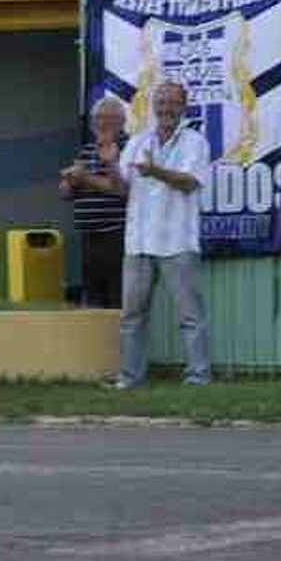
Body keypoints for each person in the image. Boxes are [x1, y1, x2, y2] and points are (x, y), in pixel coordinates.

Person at [112, 81, 210, 388]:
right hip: (139, 241)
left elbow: (190, 182)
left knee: (190, 316)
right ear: (154, 105)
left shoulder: (195, 142)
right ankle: (130, 379)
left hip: (177, 240)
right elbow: (122, 189)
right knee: (132, 316)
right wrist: (108, 165)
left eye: (172, 103)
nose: (166, 108)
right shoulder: (138, 140)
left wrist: (155, 171)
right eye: (161, 102)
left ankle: (198, 377)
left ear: (183, 107)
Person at [59, 96, 129, 308]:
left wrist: (85, 179)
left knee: (116, 295)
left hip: (116, 233)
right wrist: (71, 181)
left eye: (108, 118)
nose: (102, 123)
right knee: (94, 297)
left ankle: (117, 340)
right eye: (98, 118)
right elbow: (64, 193)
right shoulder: (87, 149)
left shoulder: (128, 147)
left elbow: (119, 189)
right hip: (89, 236)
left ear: (121, 122)